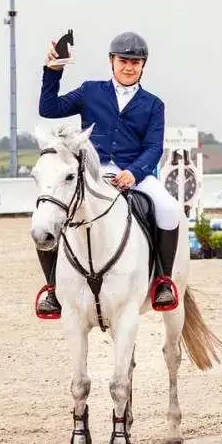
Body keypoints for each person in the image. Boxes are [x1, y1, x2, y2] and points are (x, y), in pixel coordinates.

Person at [35, 31, 183, 319]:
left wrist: (135, 172)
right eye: (124, 60)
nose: (129, 67)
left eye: (136, 62)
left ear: (144, 65)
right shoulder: (91, 91)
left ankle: (163, 281)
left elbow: (154, 147)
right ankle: (53, 289)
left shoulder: (153, 104)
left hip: (134, 172)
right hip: (94, 171)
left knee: (168, 209)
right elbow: (48, 108)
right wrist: (53, 71)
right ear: (111, 61)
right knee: (50, 214)